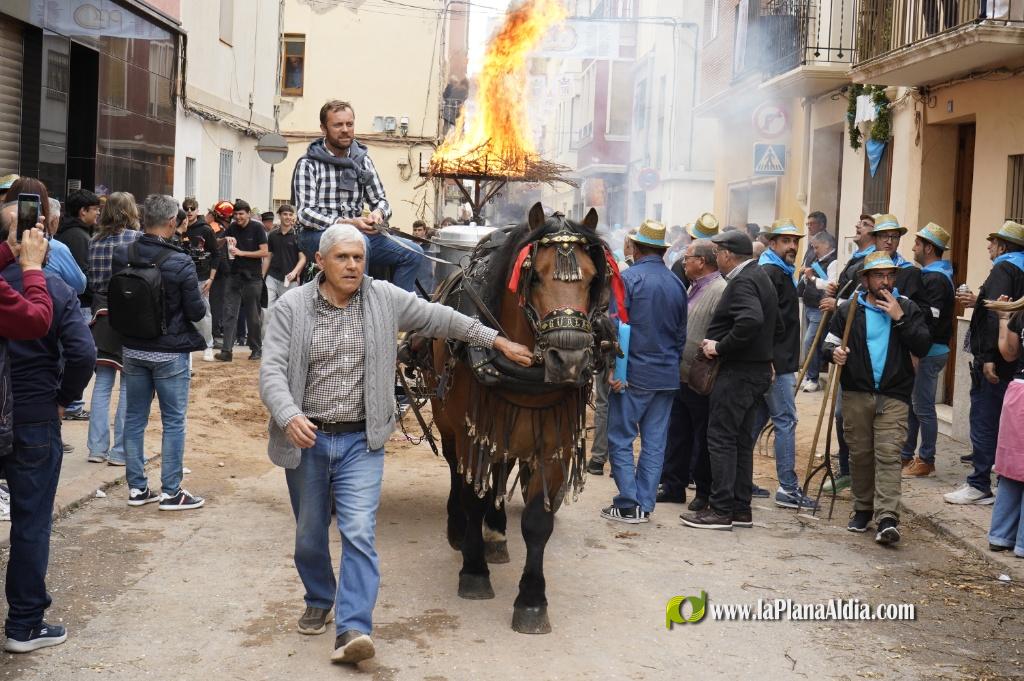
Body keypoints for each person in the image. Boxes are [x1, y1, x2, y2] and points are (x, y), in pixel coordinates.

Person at [258, 224, 531, 664]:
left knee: (360, 533)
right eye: (343, 258)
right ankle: (318, 595)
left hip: (360, 442)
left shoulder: (383, 298)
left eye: (359, 257)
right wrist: (289, 415)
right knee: (310, 536)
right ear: (322, 262)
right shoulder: (292, 307)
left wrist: (496, 339)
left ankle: (353, 628)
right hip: (306, 440)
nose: (352, 265)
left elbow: (444, 319)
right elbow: (271, 371)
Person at [1, 214, 94, 653]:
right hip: (34, 416)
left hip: (28, 411)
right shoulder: (53, 288)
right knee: (31, 522)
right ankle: (23, 625)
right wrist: (64, 398)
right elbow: (82, 351)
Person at [823, 252, 931, 544]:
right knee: (860, 454)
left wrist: (900, 318)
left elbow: (922, 345)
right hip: (857, 393)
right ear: (865, 279)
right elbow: (828, 344)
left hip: (894, 395)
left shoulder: (907, 307)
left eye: (890, 276)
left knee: (888, 454)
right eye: (879, 276)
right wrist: (833, 353)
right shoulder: (849, 311)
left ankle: (887, 518)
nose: (886, 282)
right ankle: (862, 509)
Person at [680, 230, 780, 531]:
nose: (717, 257)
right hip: (755, 370)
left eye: (718, 252)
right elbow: (780, 324)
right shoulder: (760, 276)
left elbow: (751, 320)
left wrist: (719, 346)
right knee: (739, 441)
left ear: (726, 255)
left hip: (738, 372)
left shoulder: (743, 281)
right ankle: (740, 508)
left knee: (722, 438)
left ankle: (721, 510)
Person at [113, 194, 207, 511]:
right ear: (171, 223)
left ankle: (137, 489)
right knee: (174, 422)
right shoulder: (180, 262)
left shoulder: (123, 254)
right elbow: (195, 312)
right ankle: (171, 492)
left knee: (134, 419)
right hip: (169, 352)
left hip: (132, 348)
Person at [601, 220, 687, 523]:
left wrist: (614, 369)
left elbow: (617, 330)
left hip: (633, 373)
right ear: (661, 250)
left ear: (635, 248)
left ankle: (628, 503)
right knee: (655, 441)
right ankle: (644, 503)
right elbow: (680, 336)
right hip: (666, 376)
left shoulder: (628, 279)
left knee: (621, 438)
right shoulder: (677, 283)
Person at [292, 100, 424, 292]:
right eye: (338, 125)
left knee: (414, 252)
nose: (345, 130)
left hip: (357, 233)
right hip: (316, 235)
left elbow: (381, 201)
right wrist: (348, 223)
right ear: (323, 128)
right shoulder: (308, 164)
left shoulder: (363, 161)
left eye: (349, 124)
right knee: (361, 246)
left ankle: (398, 311)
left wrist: (377, 214)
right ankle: (362, 308)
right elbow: (305, 214)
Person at [945, 220, 1024, 504]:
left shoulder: (1005, 267)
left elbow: (996, 313)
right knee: (1006, 427)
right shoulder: (1020, 267)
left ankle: (979, 484)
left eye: (993, 241)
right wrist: (978, 300)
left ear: (1003, 245)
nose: (989, 246)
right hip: (1013, 359)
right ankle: (1002, 485)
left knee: (984, 421)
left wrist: (988, 357)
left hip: (996, 361)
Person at [750, 219, 818, 510]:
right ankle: (788, 489)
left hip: (776, 362)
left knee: (754, 422)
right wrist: (770, 360)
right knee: (785, 422)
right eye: (786, 241)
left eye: (795, 241)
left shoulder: (780, 271)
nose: (792, 246)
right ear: (772, 243)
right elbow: (766, 321)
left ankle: (736, 477)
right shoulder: (772, 272)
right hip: (776, 364)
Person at [659, 239, 725, 508]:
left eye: (688, 257)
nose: (683, 262)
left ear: (702, 261)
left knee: (702, 437)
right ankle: (674, 486)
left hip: (702, 379)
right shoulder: (693, 288)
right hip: (682, 375)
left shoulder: (720, 290)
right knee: (678, 434)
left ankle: (703, 493)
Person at [819, 214, 877, 492]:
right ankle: (847, 470)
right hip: (843, 339)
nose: (857, 226)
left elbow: (865, 301)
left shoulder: (876, 262)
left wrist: (837, 301)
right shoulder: (858, 257)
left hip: (864, 351)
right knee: (843, 415)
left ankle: (855, 473)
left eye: (865, 225)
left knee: (851, 417)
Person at [86, 192, 141, 466]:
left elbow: (91, 280)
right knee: (129, 385)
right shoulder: (136, 240)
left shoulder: (94, 242)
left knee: (103, 383)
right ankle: (120, 451)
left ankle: (96, 449)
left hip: (101, 315)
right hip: (129, 316)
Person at [900, 223, 955, 477]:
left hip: (930, 351)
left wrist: (917, 350)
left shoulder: (934, 278)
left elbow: (930, 319)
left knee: (923, 407)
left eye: (917, 244)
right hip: (930, 350)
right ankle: (906, 454)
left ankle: (926, 459)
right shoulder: (938, 274)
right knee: (914, 405)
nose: (913, 248)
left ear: (929, 248)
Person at [56, 188, 101, 421]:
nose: (97, 215)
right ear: (83, 211)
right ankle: (72, 404)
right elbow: (84, 276)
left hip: (67, 302)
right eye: (95, 210)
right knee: (80, 354)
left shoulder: (66, 233)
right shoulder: (79, 237)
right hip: (78, 303)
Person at [987, 295, 1024, 556]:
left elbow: (1009, 353)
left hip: (1018, 392)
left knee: (1013, 468)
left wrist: (1003, 319)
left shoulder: (1020, 313)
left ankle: (1001, 535)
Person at [216, 199, 267, 362]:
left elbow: (264, 252)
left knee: (253, 315)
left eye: (241, 214)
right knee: (229, 312)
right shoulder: (231, 227)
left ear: (248, 214)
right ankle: (226, 350)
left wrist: (242, 252)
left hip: (253, 277)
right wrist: (224, 240)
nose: (238, 217)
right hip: (234, 275)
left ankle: (256, 349)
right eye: (236, 214)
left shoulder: (257, 227)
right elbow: (217, 244)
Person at [798, 216, 836, 392]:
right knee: (814, 342)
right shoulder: (818, 260)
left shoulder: (834, 261)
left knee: (809, 342)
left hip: (820, 307)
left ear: (826, 245)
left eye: (816, 247)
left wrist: (812, 277)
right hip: (809, 305)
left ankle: (812, 377)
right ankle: (810, 375)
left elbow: (830, 285)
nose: (814, 251)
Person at [179, 197, 220, 361]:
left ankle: (208, 345)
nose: (189, 211)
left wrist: (211, 278)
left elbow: (216, 254)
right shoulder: (179, 227)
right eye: (186, 208)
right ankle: (186, 345)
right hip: (182, 275)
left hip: (202, 276)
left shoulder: (205, 229)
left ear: (197, 210)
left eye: (192, 208)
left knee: (204, 311)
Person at [263, 203, 306, 324]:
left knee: (288, 312)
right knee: (266, 310)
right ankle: (265, 341)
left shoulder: (298, 236)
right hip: (272, 277)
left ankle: (285, 341)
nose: (288, 217)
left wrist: (294, 272)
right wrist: (262, 276)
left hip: (289, 280)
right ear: (279, 216)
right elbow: (268, 257)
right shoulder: (272, 235)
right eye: (285, 214)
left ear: (293, 217)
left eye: (290, 214)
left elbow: (303, 258)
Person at [208, 200, 234, 346]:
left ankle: (216, 332)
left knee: (218, 303)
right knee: (217, 304)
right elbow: (219, 252)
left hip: (217, 270)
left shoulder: (217, 227)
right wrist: (227, 270)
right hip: (219, 272)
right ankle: (215, 333)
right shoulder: (219, 229)